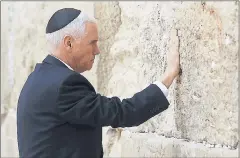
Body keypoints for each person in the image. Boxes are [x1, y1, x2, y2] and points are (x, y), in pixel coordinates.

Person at [17, 8, 180, 158]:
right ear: (69, 43)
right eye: (92, 42)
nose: (97, 50)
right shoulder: (65, 85)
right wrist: (168, 76)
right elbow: (122, 113)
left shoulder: (37, 79)